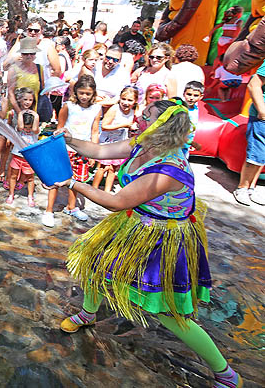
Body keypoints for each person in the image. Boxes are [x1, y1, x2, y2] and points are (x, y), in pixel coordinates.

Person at [58, 98, 243, 388]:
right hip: (136, 225)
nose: (139, 118)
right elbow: (100, 150)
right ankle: (88, 313)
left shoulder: (167, 171)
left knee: (168, 313)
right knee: (93, 263)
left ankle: (226, 374)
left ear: (162, 128)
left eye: (147, 116)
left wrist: (71, 184)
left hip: (164, 240)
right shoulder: (142, 144)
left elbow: (117, 201)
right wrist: (70, 140)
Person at [43, 75, 101, 228]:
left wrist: (93, 152)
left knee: (76, 181)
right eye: (81, 93)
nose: (84, 96)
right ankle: (49, 210)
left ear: (93, 93)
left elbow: (95, 131)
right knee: (56, 179)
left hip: (83, 150)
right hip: (66, 149)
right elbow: (59, 129)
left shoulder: (96, 108)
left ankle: (71, 207)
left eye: (88, 94)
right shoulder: (68, 106)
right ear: (76, 92)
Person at [92, 86, 137, 192]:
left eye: (130, 100)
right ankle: (94, 189)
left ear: (135, 101)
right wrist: (124, 125)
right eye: (123, 99)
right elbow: (104, 126)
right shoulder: (115, 109)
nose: (125, 103)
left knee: (113, 168)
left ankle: (107, 191)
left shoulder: (132, 112)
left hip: (119, 144)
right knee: (103, 167)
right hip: (107, 143)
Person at [233, 64, 265, 206]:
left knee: (262, 155)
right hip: (261, 118)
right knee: (256, 154)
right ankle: (242, 188)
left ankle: (252, 187)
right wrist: (262, 111)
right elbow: (253, 83)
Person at [7, 108, 39, 206]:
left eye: (29, 128)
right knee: (13, 176)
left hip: (29, 159)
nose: (27, 130)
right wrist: (21, 113)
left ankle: (30, 196)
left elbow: (34, 129)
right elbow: (20, 127)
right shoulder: (19, 129)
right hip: (17, 156)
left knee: (30, 179)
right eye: (26, 127)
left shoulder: (35, 131)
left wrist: (36, 116)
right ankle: (11, 194)